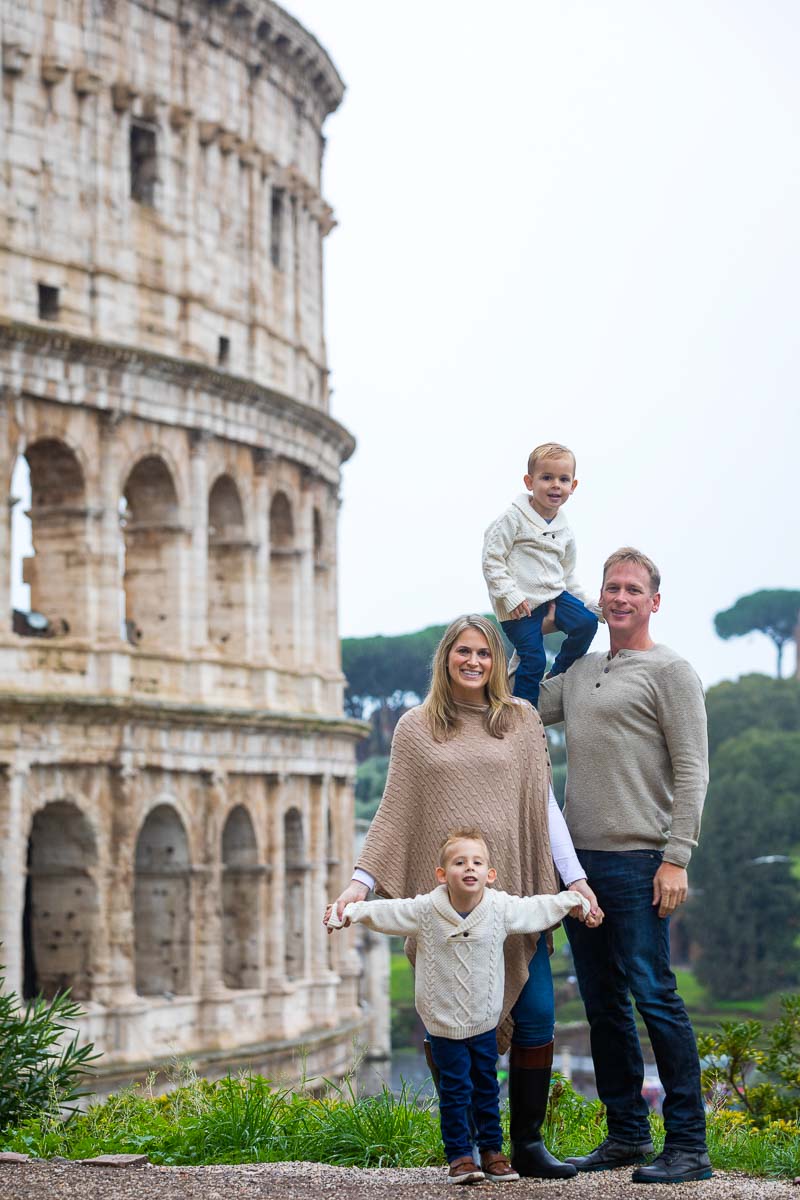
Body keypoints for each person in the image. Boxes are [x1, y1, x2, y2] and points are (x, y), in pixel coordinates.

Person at [327, 613, 603, 1180]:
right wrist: (361, 882)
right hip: (447, 912)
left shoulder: (522, 721)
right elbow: (395, 811)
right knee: (447, 1024)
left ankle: (524, 1144)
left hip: (513, 895)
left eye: (484, 652)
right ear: (446, 658)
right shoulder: (416, 726)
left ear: (496, 661)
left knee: (537, 1017)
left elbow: (542, 808)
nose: (474, 661)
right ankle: (466, 1146)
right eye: (463, 652)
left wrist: (573, 879)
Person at [537, 547, 712, 1185]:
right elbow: (520, 699)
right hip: (581, 866)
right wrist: (544, 624)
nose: (619, 598)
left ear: (654, 601)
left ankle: (689, 1147)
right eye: (611, 588)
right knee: (603, 1002)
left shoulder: (672, 672)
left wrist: (677, 857)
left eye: (633, 589)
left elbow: (694, 769)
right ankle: (627, 1136)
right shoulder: (582, 674)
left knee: (655, 997)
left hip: (642, 862)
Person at [328, 829, 590, 1184]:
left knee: (486, 1088)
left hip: (484, 1022)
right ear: (442, 874)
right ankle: (460, 1158)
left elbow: (535, 909)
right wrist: (351, 912)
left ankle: (493, 1153)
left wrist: (570, 900)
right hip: (442, 1025)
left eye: (477, 863)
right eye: (459, 862)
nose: (469, 868)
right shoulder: (424, 910)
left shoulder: (499, 909)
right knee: (454, 1092)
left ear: (490, 874)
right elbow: (387, 912)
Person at [482, 442, 599, 708]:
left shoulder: (565, 530)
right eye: (546, 478)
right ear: (529, 481)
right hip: (518, 606)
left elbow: (567, 576)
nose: (555, 485)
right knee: (533, 659)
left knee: (586, 623)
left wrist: (590, 604)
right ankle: (525, 713)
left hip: (553, 596)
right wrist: (510, 595)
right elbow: (492, 560)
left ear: (574, 486)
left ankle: (559, 673)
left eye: (563, 479)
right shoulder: (512, 518)